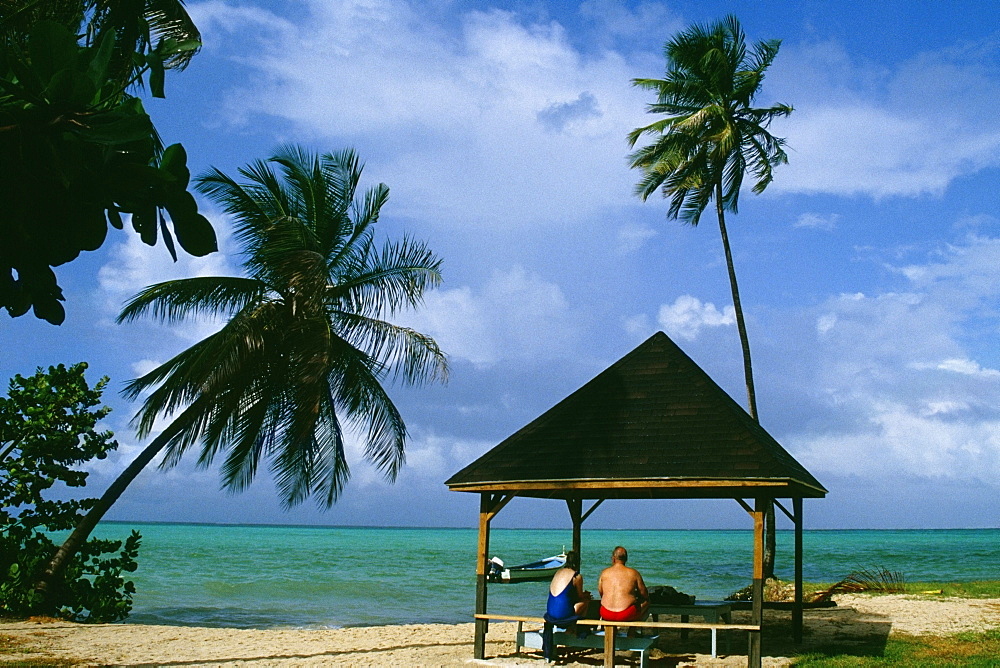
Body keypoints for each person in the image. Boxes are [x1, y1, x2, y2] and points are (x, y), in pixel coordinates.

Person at [597, 545, 649, 622]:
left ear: (613, 559)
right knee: (647, 602)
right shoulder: (633, 573)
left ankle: (612, 631)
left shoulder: (604, 573)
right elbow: (644, 594)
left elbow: (601, 592)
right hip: (626, 613)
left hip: (606, 613)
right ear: (626, 559)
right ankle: (631, 631)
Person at [546, 550, 591, 621]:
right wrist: (586, 595)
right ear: (578, 562)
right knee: (586, 601)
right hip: (564, 615)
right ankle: (573, 628)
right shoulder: (576, 576)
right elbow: (580, 596)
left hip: (550, 612)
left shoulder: (558, 572)